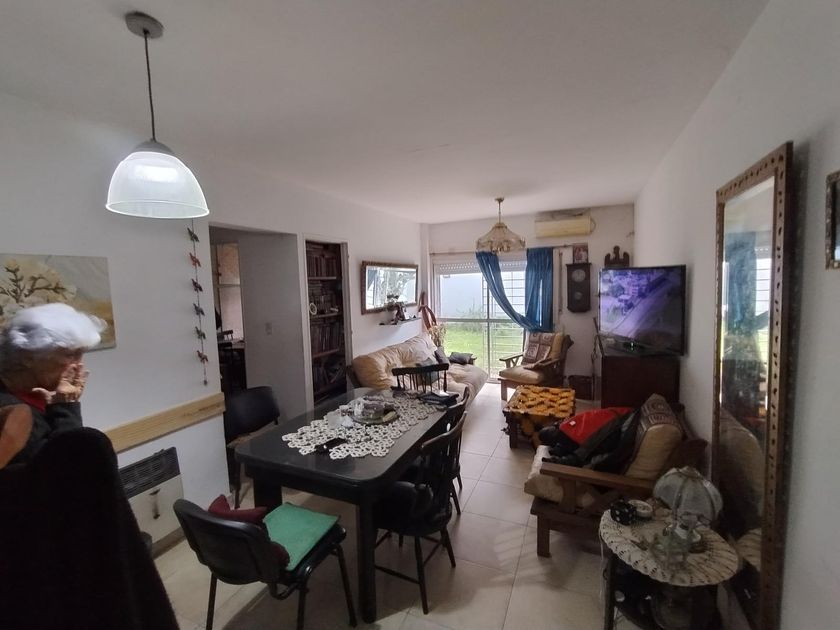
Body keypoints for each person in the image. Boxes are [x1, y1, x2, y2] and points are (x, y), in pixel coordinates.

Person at [0, 302, 104, 467]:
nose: (78, 365)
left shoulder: (37, 394)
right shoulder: (13, 412)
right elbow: (68, 468)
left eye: (81, 354)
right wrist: (66, 407)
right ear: (27, 357)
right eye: (70, 355)